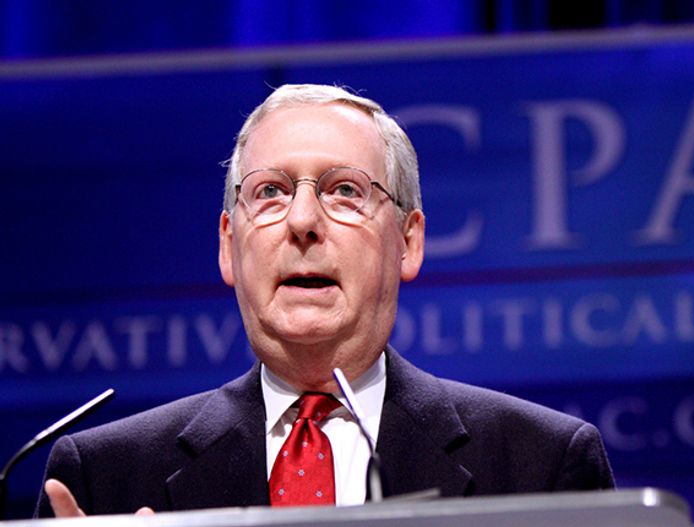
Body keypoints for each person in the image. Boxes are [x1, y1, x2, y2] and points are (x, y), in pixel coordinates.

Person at [36, 84, 614, 517]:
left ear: (408, 242)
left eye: (344, 191)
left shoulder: (540, 466)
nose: (304, 221)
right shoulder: (103, 478)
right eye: (270, 193)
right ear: (228, 246)